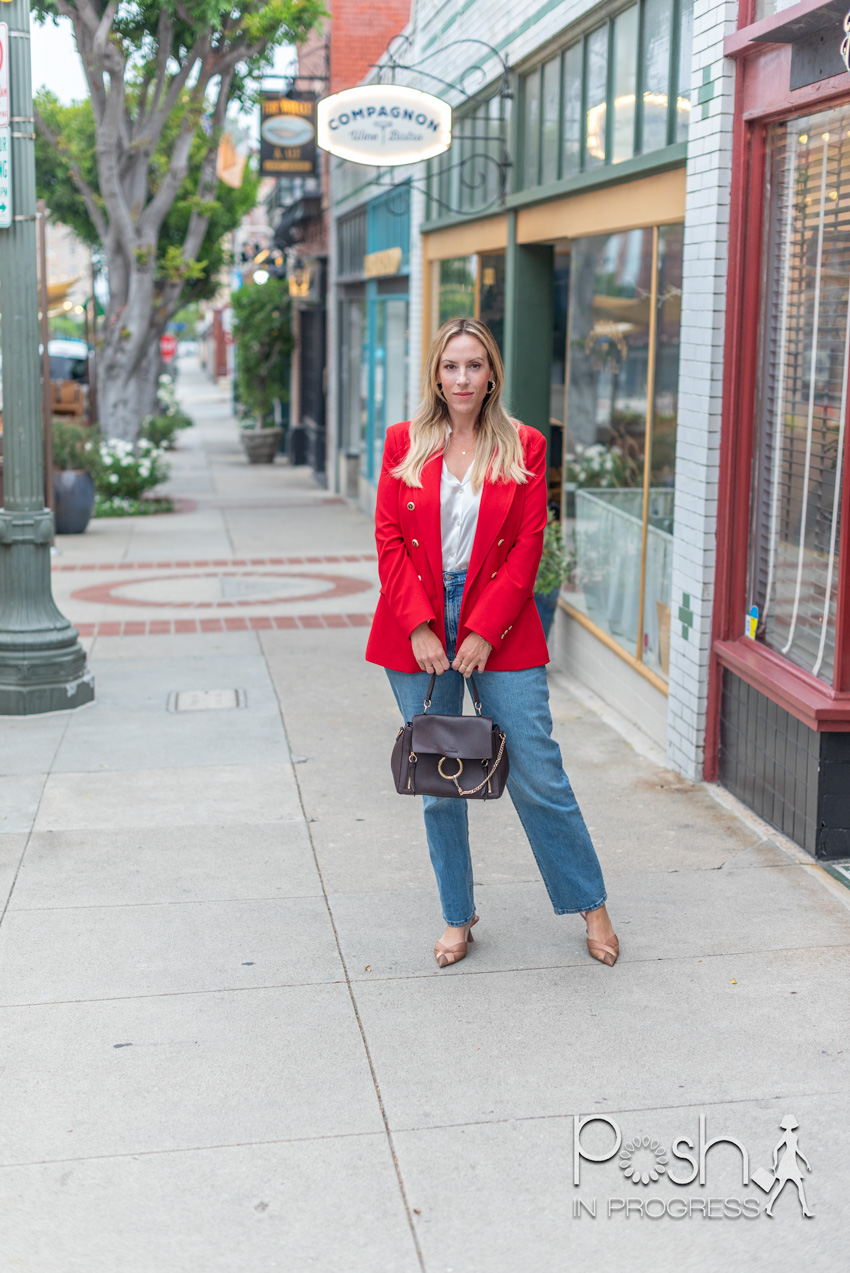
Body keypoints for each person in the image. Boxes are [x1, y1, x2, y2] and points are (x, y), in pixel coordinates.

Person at [365, 317, 618, 969]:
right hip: (417, 622)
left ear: (492, 373)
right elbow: (389, 538)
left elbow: (528, 545)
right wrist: (421, 624)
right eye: (451, 366)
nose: (462, 378)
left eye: (474, 365)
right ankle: (458, 917)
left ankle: (591, 904)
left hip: (497, 620)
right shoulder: (404, 442)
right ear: (435, 374)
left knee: (537, 764)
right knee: (439, 776)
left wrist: (482, 629)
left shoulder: (524, 445)